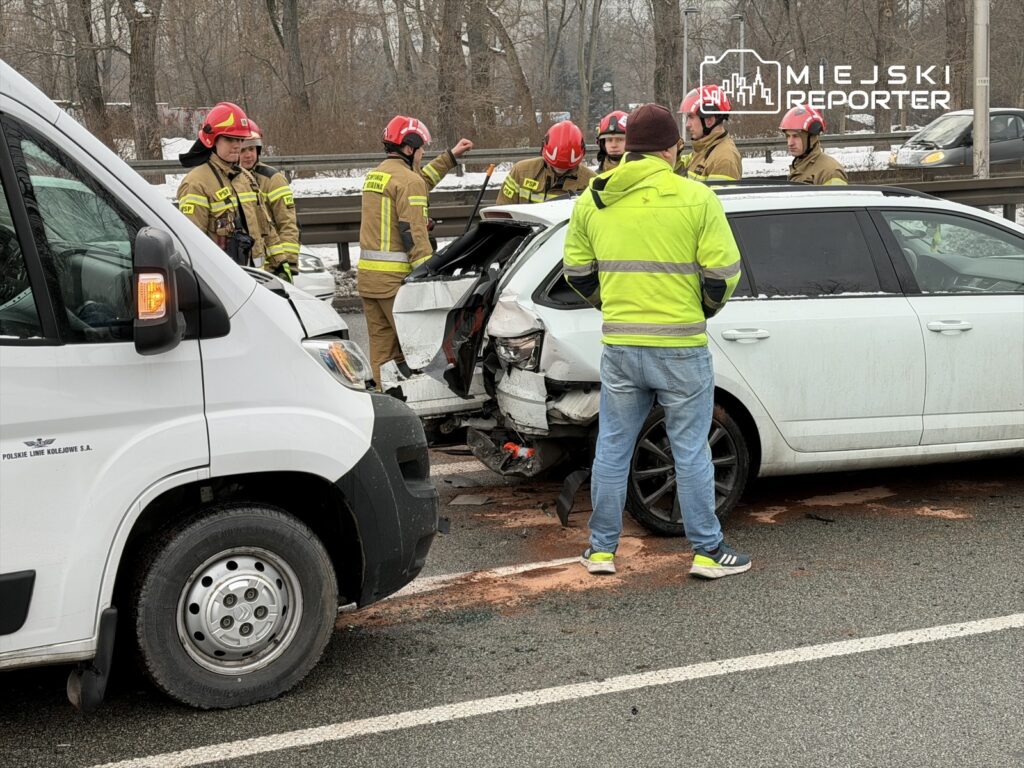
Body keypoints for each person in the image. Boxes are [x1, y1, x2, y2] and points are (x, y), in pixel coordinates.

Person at [563, 103, 750, 580]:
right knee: (690, 449)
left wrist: (612, 306)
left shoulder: (593, 198)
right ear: (672, 148)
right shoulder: (696, 197)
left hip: (622, 346)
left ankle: (601, 550)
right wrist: (699, 310)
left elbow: (576, 272)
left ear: (628, 147)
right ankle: (708, 551)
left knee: (613, 447)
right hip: (681, 347)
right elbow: (724, 274)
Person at [358, 115, 473, 387]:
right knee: (417, 354)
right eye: (422, 149)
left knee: (383, 354)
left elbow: (418, 181)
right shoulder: (409, 182)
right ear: (409, 148)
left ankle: (386, 407)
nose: (423, 154)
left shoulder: (378, 175)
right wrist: (427, 275)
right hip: (393, 285)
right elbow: (413, 234)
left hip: (369, 282)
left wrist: (450, 157)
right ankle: (418, 413)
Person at [176, 102, 281, 272]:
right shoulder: (196, 183)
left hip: (257, 280)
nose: (237, 145)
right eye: (229, 139)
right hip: (223, 283)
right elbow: (191, 244)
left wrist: (281, 266)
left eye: (240, 139)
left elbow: (266, 228)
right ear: (213, 140)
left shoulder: (245, 177)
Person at [238, 121, 299, 282]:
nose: (248, 155)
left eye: (251, 149)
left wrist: (288, 265)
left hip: (271, 267)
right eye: (242, 150)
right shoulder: (228, 180)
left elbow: (288, 224)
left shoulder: (273, 179)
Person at [496, 120, 596, 204]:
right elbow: (502, 210)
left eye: (566, 168)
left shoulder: (591, 182)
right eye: (554, 166)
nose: (560, 170)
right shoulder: (521, 172)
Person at [675, 84, 743, 182]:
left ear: (709, 120)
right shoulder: (703, 149)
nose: (687, 125)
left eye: (691, 117)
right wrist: (674, 156)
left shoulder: (724, 159)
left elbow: (719, 197)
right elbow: (683, 179)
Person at [780, 104, 849, 185]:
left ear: (812, 138)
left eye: (796, 136)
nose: (790, 143)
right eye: (788, 136)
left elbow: (838, 198)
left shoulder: (830, 173)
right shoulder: (801, 165)